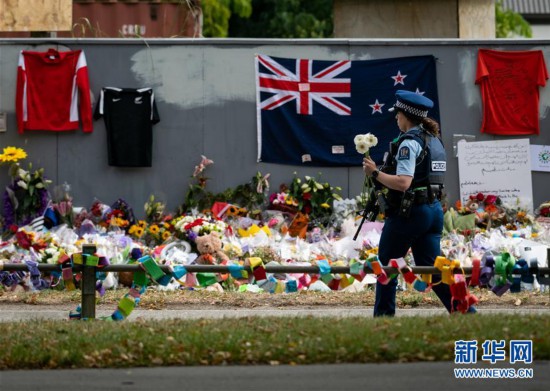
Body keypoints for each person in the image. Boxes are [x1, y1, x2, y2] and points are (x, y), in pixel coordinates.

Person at [362, 90, 475, 316]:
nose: (395, 118)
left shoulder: (408, 144)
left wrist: (375, 173)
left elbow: (404, 182)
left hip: (410, 213)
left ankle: (383, 320)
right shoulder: (434, 140)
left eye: (398, 114)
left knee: (387, 265)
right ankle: (465, 313)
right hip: (433, 211)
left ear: (406, 115)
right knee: (433, 269)